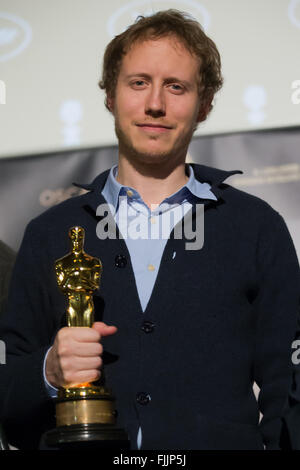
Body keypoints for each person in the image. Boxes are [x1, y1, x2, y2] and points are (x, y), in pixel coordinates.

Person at [0, 10, 299, 450]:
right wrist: (47, 371)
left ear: (206, 104)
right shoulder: (50, 233)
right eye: (138, 82)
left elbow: (289, 391)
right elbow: (8, 392)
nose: (155, 103)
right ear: (110, 96)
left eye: (176, 86)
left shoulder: (256, 227)